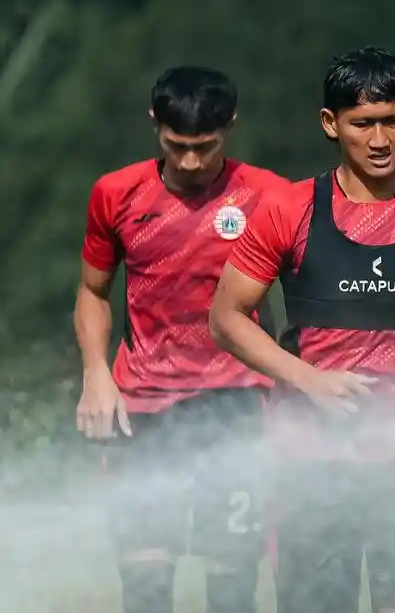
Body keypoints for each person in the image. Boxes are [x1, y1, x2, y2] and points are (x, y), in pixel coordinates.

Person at [207, 47, 395, 613]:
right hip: (313, 464)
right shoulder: (288, 210)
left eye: (392, 121)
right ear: (330, 124)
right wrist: (310, 380)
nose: (380, 140)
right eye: (363, 124)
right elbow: (226, 318)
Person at [74, 66, 289, 613]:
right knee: (145, 582)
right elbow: (93, 292)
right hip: (143, 407)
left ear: (230, 127)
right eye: (178, 146)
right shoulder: (116, 194)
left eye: (205, 147)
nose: (191, 162)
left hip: (237, 403)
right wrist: (95, 374)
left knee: (231, 583)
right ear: (155, 123)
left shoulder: (269, 196)